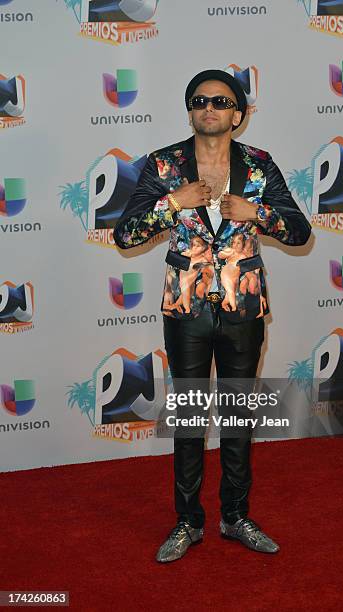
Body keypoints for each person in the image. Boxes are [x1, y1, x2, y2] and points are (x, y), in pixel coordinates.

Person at [114, 69, 312, 563]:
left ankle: (236, 515)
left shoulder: (260, 166)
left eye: (221, 102)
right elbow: (125, 234)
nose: (210, 108)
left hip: (244, 306)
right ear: (190, 110)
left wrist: (257, 213)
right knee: (189, 417)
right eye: (200, 100)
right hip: (185, 310)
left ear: (237, 114)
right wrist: (170, 203)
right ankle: (187, 522)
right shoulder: (164, 166)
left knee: (239, 416)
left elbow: (299, 231)